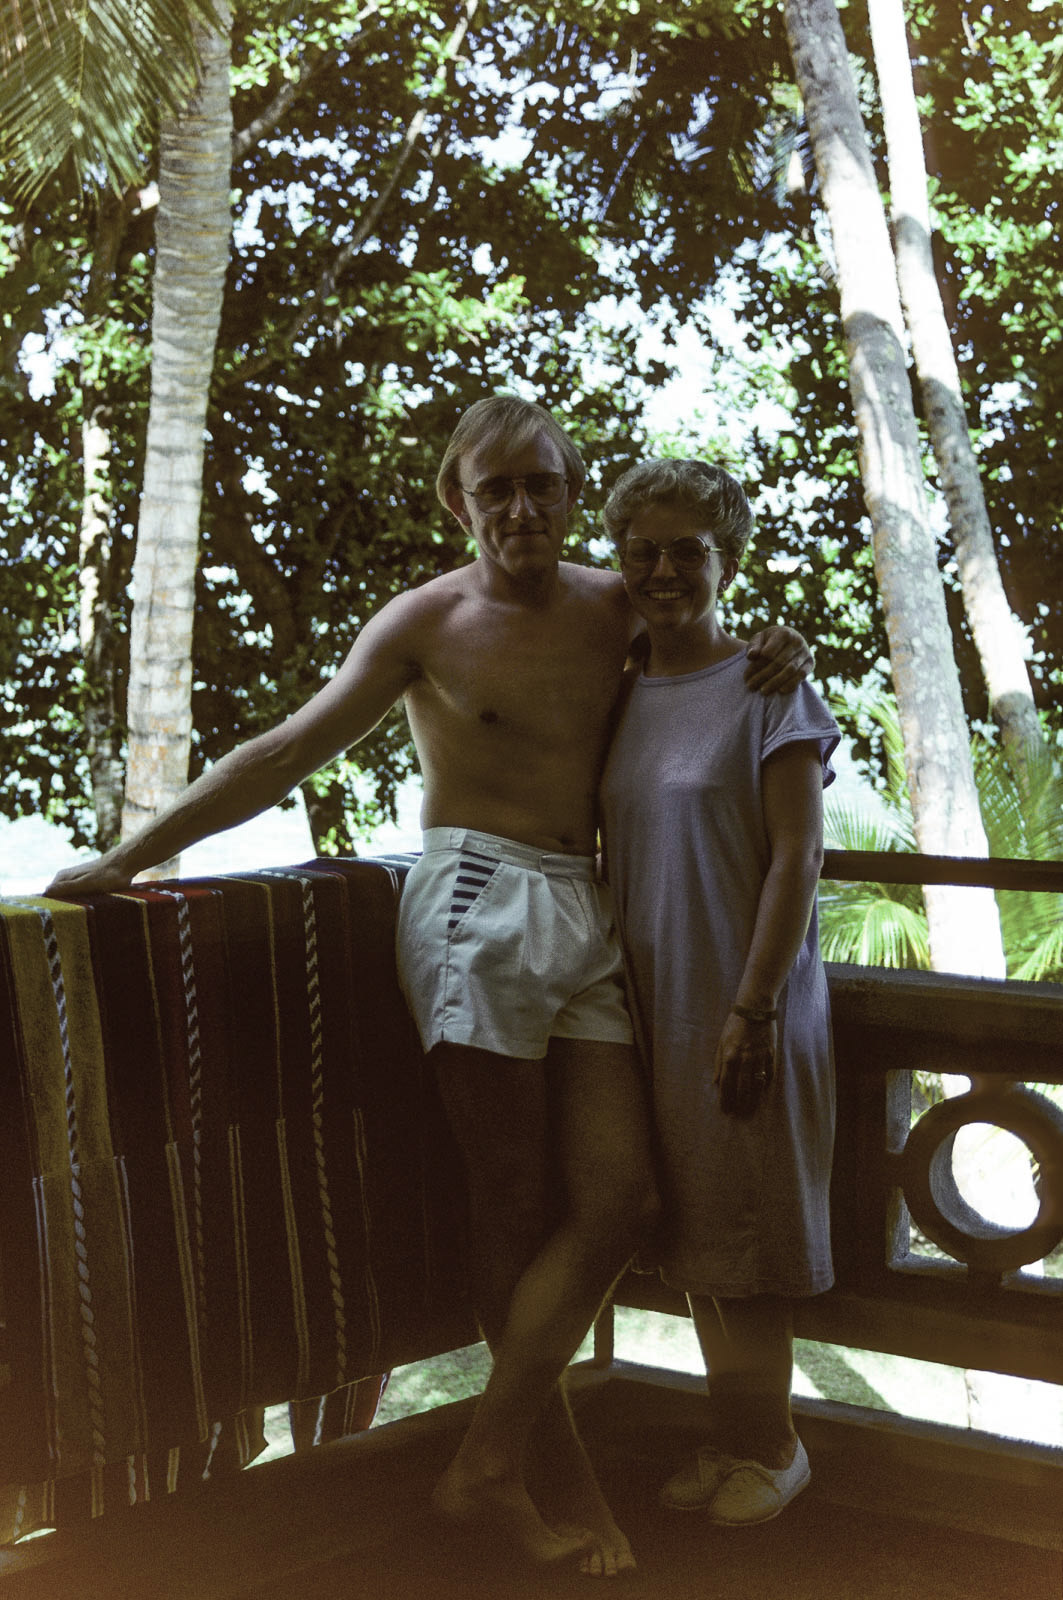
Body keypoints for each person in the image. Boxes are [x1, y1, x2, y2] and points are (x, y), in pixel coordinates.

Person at [45, 396, 812, 1575]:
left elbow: (706, 638)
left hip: (585, 908)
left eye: (541, 484)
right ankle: (543, 1479)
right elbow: (286, 750)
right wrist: (128, 857)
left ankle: (489, 1458)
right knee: (509, 1202)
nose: (520, 508)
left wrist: (783, 643)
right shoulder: (424, 621)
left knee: (621, 1200)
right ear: (457, 500)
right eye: (494, 487)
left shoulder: (615, 603)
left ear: (571, 494)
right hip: (473, 904)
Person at [599, 457, 839, 1527]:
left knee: (744, 1228)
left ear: (725, 559)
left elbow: (797, 857)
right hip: (650, 999)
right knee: (696, 1225)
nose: (662, 571)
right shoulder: (615, 687)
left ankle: (775, 1446)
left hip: (746, 996)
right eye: (641, 551)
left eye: (686, 551)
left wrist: (753, 1009)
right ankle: (732, 1434)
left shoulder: (769, 685)